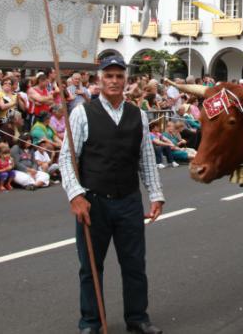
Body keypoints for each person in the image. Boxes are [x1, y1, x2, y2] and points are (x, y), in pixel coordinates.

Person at [58, 56, 165, 334]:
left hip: (129, 200)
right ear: (99, 80)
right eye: (109, 76)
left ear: (126, 80)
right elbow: (68, 158)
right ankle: (91, 322)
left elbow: (145, 157)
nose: (114, 81)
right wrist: (75, 196)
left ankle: (138, 318)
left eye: (119, 76)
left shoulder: (138, 114)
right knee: (91, 267)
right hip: (93, 202)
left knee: (134, 264)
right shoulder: (82, 112)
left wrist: (156, 194)